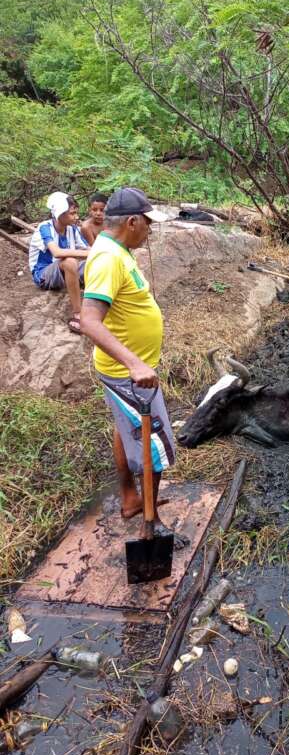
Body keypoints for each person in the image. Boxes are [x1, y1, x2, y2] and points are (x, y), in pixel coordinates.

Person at [79, 188, 180, 539]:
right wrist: (136, 364)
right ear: (132, 221)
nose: (150, 231)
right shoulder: (108, 258)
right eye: (148, 224)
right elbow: (89, 319)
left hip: (129, 371)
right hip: (130, 376)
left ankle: (130, 499)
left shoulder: (117, 252)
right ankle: (150, 524)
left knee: (126, 432)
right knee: (155, 446)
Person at [28, 192, 90, 333]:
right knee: (69, 262)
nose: (76, 217)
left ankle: (96, 302)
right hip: (44, 275)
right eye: (72, 214)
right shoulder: (45, 228)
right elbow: (56, 252)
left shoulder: (72, 229)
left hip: (63, 272)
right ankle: (77, 314)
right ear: (59, 214)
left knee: (95, 263)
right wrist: (90, 253)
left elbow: (88, 248)